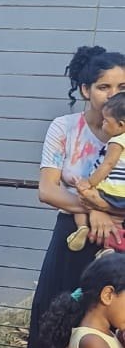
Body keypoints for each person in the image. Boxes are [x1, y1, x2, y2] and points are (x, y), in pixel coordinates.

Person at [0, 45, 125, 348]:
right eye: (103, 86)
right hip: (71, 238)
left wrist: (105, 212)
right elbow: (47, 191)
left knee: (110, 331)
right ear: (85, 89)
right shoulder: (64, 128)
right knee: (46, 323)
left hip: (118, 242)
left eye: (121, 86)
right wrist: (91, 208)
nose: (112, 94)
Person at [67, 91, 125, 248]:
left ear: (121, 125)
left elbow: (108, 165)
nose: (103, 124)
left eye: (106, 121)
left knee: (81, 194)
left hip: (111, 190)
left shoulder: (117, 141)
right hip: (122, 197)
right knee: (116, 224)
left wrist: (89, 183)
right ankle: (110, 248)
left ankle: (82, 227)